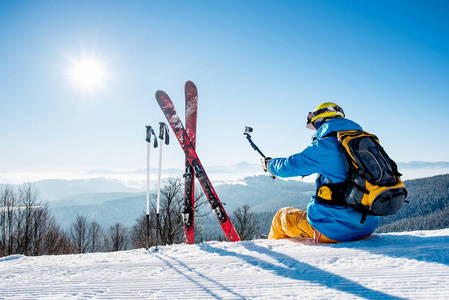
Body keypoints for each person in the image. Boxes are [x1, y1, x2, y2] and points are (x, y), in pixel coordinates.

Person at [261, 102, 379, 243]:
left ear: (323, 120)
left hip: (333, 230)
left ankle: (271, 243)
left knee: (282, 216)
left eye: (316, 124)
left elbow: (290, 166)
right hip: (367, 226)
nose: (316, 130)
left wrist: (269, 164)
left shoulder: (326, 145)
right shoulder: (369, 143)